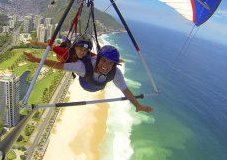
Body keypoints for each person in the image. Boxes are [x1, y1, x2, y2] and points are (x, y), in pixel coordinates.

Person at [23, 45, 152, 113]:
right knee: (89, 74)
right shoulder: (83, 67)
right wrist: (36, 60)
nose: (105, 66)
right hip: (85, 82)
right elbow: (59, 66)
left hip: (98, 86)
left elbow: (126, 91)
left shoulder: (115, 73)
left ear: (114, 64)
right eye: (104, 61)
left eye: (110, 63)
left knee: (106, 78)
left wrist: (138, 105)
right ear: (98, 59)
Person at [26, 34, 93, 63]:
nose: (82, 52)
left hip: (69, 51)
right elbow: (50, 47)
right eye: (80, 49)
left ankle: (66, 39)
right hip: (62, 56)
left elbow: (96, 56)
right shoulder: (65, 53)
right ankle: (65, 39)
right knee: (64, 43)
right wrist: (35, 42)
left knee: (67, 43)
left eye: (85, 50)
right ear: (75, 47)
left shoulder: (86, 55)